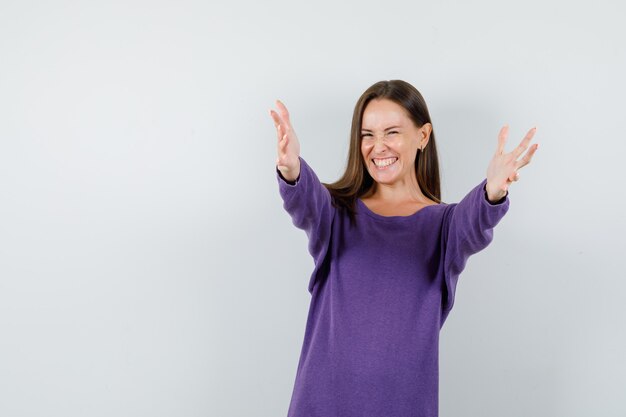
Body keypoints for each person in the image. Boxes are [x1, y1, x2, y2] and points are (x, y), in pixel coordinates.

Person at [269, 80, 538, 417]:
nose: (377, 146)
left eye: (391, 132)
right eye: (367, 134)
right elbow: (307, 200)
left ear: (422, 136)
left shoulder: (444, 226)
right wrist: (292, 169)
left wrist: (493, 191)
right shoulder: (336, 216)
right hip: (321, 405)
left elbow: (473, 220)